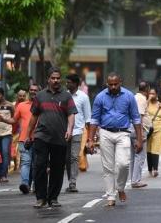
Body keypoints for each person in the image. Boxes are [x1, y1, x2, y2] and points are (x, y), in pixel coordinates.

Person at [87, 72, 143, 206]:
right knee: (108, 167)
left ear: (120, 83)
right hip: (105, 132)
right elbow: (94, 119)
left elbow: (136, 119)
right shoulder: (100, 97)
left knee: (123, 164)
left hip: (123, 133)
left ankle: (120, 188)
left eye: (115, 84)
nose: (112, 87)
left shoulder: (129, 96)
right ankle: (111, 196)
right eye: (110, 84)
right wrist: (90, 139)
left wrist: (139, 139)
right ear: (107, 84)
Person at [26, 67, 77, 208]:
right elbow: (34, 117)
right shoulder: (40, 96)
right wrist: (28, 135)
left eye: (58, 78)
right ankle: (41, 198)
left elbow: (71, 114)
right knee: (40, 166)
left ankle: (53, 198)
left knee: (57, 169)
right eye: (53, 78)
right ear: (48, 79)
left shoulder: (66, 96)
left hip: (60, 138)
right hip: (41, 137)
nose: (55, 80)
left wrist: (69, 129)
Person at [6, 84, 40, 193]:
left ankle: (35, 184)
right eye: (31, 90)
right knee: (26, 162)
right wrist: (3, 119)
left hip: (39, 139)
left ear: (39, 92)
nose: (33, 91)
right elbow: (14, 120)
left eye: (35, 90)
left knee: (36, 163)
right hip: (24, 139)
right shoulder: (21, 105)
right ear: (28, 91)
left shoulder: (42, 105)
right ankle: (25, 184)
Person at [65, 73, 91, 193]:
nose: (67, 84)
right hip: (63, 131)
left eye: (69, 82)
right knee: (66, 158)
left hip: (77, 130)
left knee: (74, 156)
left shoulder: (83, 97)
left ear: (75, 84)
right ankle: (70, 179)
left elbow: (88, 118)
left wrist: (90, 138)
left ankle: (72, 183)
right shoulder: (63, 95)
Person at [130, 81, 151, 188]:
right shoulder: (141, 99)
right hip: (138, 131)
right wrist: (141, 135)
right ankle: (135, 180)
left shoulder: (135, 97)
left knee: (134, 156)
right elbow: (139, 117)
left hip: (133, 130)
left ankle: (133, 179)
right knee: (140, 156)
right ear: (147, 89)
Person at [145, 87, 161, 178]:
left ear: (157, 95)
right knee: (148, 149)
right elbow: (141, 110)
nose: (151, 95)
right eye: (150, 93)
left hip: (159, 129)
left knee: (156, 148)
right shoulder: (146, 103)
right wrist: (148, 100)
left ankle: (155, 169)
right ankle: (150, 169)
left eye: (153, 93)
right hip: (148, 129)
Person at [0, 87, 15, 183]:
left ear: (2, 95)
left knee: (4, 153)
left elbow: (14, 118)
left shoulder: (10, 105)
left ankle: (3, 175)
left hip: (7, 133)